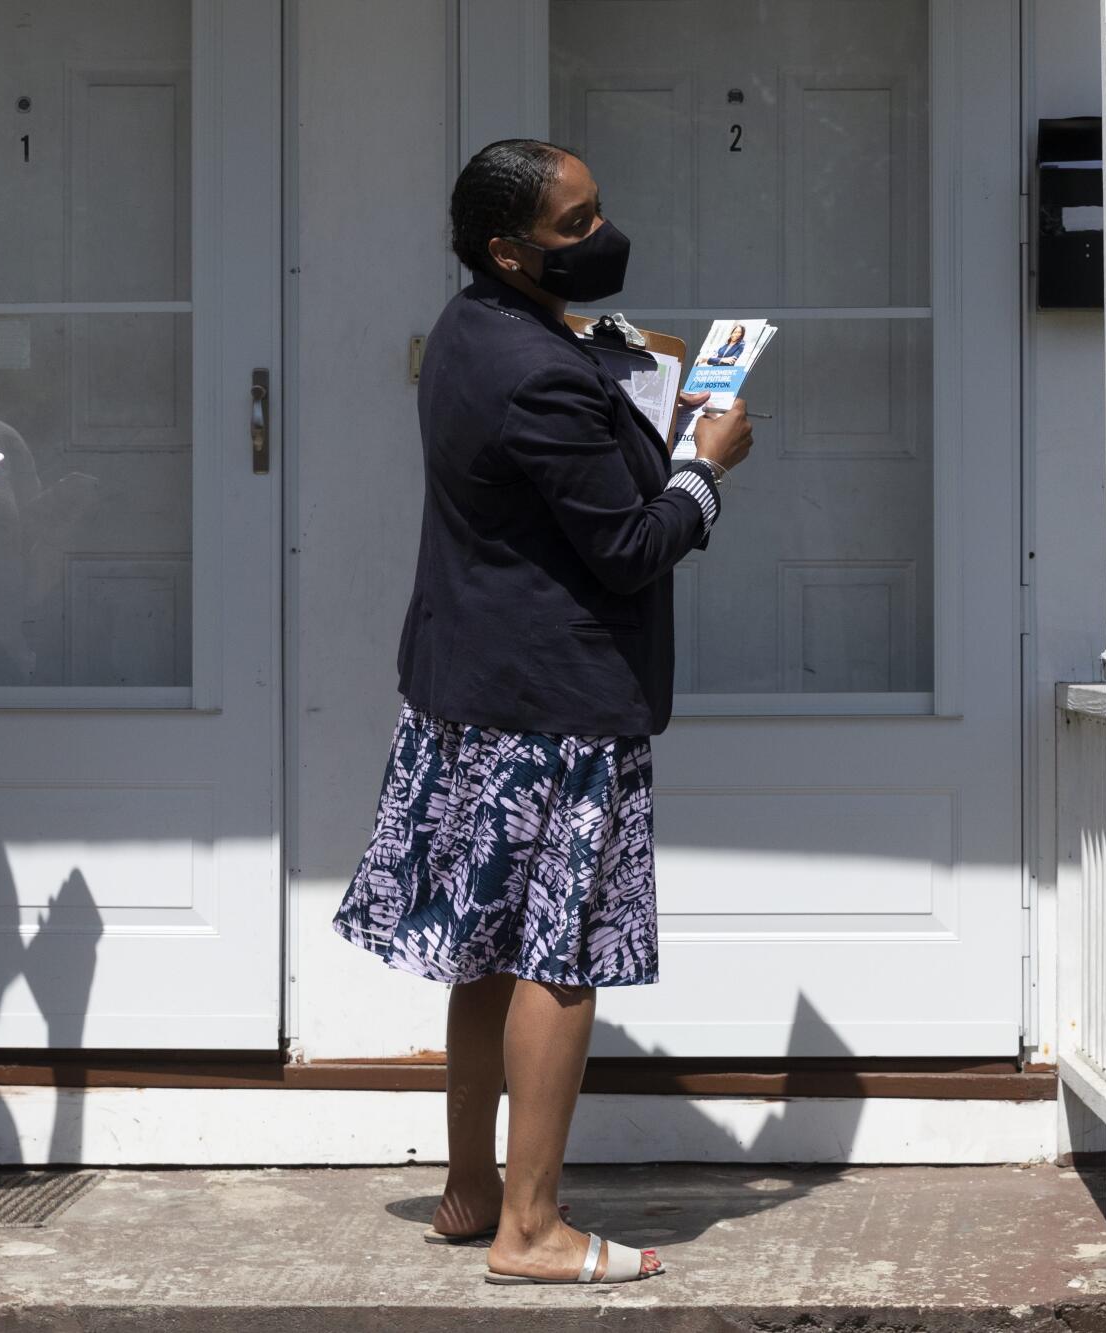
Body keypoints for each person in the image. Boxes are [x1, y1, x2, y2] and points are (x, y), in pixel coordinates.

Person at [333, 140, 753, 1287]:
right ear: (507, 248)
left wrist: (616, 364)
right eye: (573, 226)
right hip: (555, 710)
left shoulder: (477, 329)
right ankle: (532, 1230)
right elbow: (625, 547)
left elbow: (552, 455)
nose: (599, 235)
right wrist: (704, 466)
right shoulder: (542, 372)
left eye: (596, 211)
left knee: (482, 952)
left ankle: (472, 1191)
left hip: (466, 691)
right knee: (558, 959)